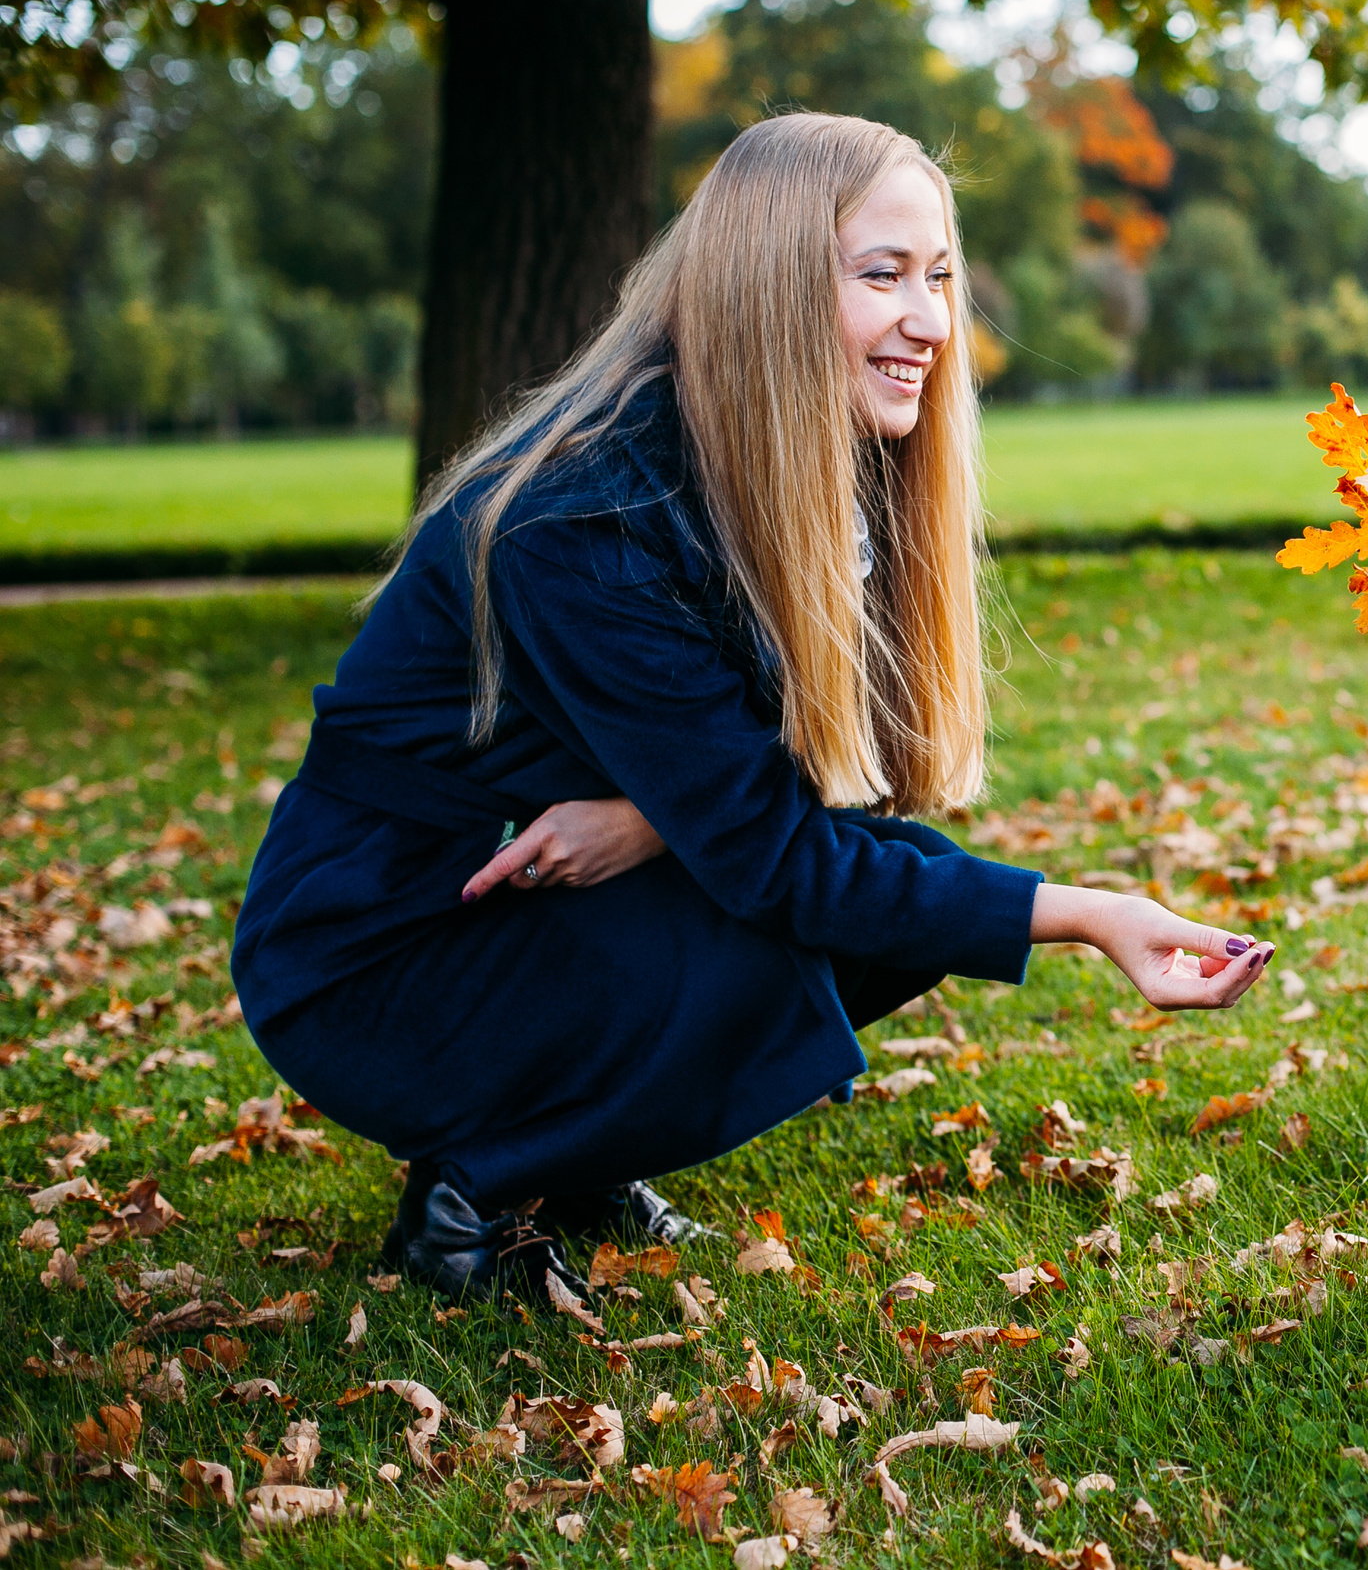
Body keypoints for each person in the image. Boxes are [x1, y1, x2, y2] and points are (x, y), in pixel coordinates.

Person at [231, 114, 1275, 1300]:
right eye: (881, 276)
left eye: (938, 277)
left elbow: (824, 779)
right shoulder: (591, 515)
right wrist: (1088, 915)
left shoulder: (795, 462)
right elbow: (779, 858)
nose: (931, 321)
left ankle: (581, 1154)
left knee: (871, 896)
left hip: (529, 888)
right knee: (791, 920)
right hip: (387, 942)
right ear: (768, 284)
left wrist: (650, 817)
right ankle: (473, 1186)